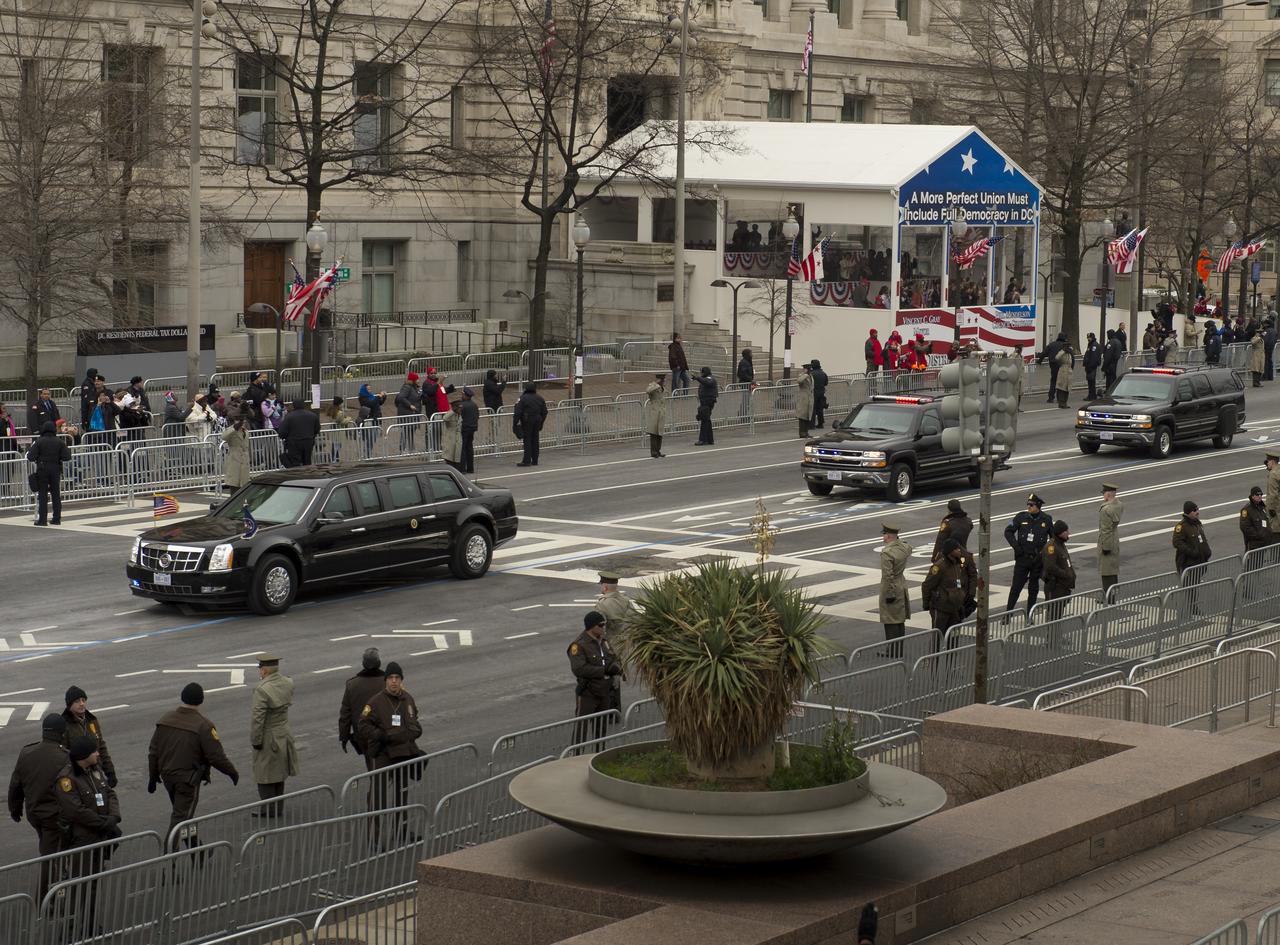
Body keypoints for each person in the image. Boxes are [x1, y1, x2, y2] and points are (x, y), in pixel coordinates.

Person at [147, 683, 239, 846]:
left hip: (168, 777)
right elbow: (216, 756)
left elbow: (153, 751)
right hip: (187, 781)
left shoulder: (165, 719)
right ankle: (168, 861)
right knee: (180, 820)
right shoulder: (204, 725)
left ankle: (199, 851)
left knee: (183, 814)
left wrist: (153, 777)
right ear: (201, 700)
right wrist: (232, 773)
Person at [56, 735, 122, 938]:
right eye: (94, 751)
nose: (97, 753)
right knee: (78, 888)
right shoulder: (67, 779)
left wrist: (113, 817)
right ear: (84, 756)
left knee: (93, 884)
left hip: (99, 837)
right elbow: (76, 811)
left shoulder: (95, 769)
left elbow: (110, 793)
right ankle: (68, 933)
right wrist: (102, 823)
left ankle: (90, 927)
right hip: (82, 839)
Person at [7, 714, 69, 895]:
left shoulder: (27, 752)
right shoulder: (64, 757)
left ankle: (58, 876)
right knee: (50, 858)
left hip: (34, 814)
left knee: (48, 847)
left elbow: (15, 785)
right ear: (61, 733)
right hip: (54, 817)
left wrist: (15, 809)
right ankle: (44, 898)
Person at [357, 661, 425, 813]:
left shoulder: (408, 698)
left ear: (401, 680)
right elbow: (363, 725)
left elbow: (414, 718)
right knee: (378, 798)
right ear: (386, 680)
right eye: (391, 678)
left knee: (402, 797)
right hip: (384, 754)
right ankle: (374, 835)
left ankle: (400, 833)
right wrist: (379, 735)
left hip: (403, 753)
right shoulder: (375, 702)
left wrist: (416, 730)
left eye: (397, 677)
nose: (394, 681)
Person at [249, 655, 298, 817]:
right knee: (279, 772)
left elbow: (258, 718)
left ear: (264, 670)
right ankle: (278, 808)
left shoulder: (262, 689)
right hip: (283, 732)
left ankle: (268, 809)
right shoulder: (288, 682)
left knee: (264, 774)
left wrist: (256, 740)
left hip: (269, 735)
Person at [568, 611, 622, 745]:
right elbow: (579, 669)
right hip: (588, 692)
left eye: (604, 625)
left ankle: (598, 755)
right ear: (591, 626)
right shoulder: (579, 645)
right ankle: (576, 755)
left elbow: (613, 657)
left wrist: (616, 668)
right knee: (581, 728)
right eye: (601, 625)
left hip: (604, 691)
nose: (603, 628)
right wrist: (604, 670)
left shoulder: (604, 642)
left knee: (601, 728)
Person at [1005, 493, 1053, 615]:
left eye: (1031, 505)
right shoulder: (1021, 517)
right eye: (1028, 504)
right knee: (1016, 587)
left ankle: (1029, 615)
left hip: (1037, 560)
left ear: (1038, 506)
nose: (1029, 507)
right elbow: (1008, 532)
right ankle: (1007, 614)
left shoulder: (1046, 519)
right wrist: (1016, 547)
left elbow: (1053, 539)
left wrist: (1046, 554)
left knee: (1033, 589)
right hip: (1022, 559)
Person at [339, 648, 386, 771]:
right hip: (386, 732)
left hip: (363, 735)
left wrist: (344, 737)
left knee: (372, 766)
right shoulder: (388, 682)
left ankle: (377, 787)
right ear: (379, 663)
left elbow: (345, 714)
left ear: (364, 664)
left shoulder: (352, 685)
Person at [61, 686, 115, 788]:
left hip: (96, 770)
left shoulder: (92, 720)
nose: (82, 703)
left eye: (83, 700)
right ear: (69, 705)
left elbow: (101, 747)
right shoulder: (64, 725)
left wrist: (110, 772)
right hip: (78, 775)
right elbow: (63, 754)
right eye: (77, 701)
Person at [921, 539, 973, 646]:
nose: (959, 550)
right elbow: (927, 585)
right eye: (956, 549)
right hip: (941, 608)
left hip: (955, 608)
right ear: (950, 551)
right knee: (937, 638)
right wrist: (926, 604)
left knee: (953, 639)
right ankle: (932, 662)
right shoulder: (939, 566)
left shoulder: (958, 564)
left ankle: (951, 662)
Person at [26, 421, 70, 526]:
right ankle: (56, 519)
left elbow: (30, 456)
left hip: (42, 469)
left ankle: (42, 520)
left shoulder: (39, 442)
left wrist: (39, 457)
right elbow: (67, 456)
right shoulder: (59, 442)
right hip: (55, 469)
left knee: (42, 495)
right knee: (56, 494)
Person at [878, 523, 912, 652]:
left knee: (890, 619)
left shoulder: (887, 553)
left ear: (887, 536)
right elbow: (908, 546)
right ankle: (899, 648)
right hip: (901, 584)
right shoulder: (904, 547)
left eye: (884, 535)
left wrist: (889, 593)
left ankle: (892, 651)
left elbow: (887, 576)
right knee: (899, 619)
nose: (883, 538)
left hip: (892, 586)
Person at [1041, 520, 1076, 622]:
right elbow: (1050, 566)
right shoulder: (1051, 546)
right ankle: (1052, 637)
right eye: (1066, 531)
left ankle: (1056, 636)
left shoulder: (1060, 544)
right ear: (1060, 533)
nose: (1068, 533)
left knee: (1058, 615)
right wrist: (1066, 574)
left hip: (1062, 587)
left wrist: (1071, 575)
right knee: (1054, 615)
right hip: (1055, 587)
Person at [1098, 483, 1123, 602]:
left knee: (1106, 571)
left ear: (1107, 494)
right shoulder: (1119, 505)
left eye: (1104, 493)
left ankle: (1108, 597)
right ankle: (1112, 595)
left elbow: (1106, 530)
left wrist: (1105, 547)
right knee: (1113, 571)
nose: (1103, 496)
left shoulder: (1105, 509)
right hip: (1115, 540)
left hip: (1108, 542)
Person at [1172, 501, 1212, 576]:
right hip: (1189, 564)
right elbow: (1177, 542)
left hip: (1200, 561)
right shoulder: (1182, 526)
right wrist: (1192, 552)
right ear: (1188, 512)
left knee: (1195, 584)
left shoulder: (1197, 523)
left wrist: (1207, 552)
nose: (1197, 512)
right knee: (1189, 585)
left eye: (1197, 509)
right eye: (1194, 510)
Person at [513, 382, 547, 467]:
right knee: (535, 439)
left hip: (527, 420)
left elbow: (518, 411)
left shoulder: (522, 398)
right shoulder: (540, 398)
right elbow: (545, 412)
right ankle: (535, 460)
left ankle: (526, 460)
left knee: (527, 440)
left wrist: (515, 423)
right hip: (537, 420)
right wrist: (541, 422)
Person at [278, 400, 320, 467]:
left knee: (295, 463)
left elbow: (282, 432)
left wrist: (286, 437)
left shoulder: (289, 417)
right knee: (307, 462)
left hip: (294, 443)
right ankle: (308, 475)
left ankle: (298, 476)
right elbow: (317, 429)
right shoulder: (313, 415)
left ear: (293, 406)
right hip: (308, 441)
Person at [395, 372, 423, 451]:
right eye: (417, 379)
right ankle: (402, 449)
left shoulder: (415, 388)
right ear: (413, 380)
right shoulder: (407, 387)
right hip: (407, 413)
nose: (418, 380)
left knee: (411, 432)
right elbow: (401, 397)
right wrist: (409, 405)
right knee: (405, 432)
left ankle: (411, 448)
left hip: (413, 414)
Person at [1241, 486, 1274, 552]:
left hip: (1264, 543)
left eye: (1261, 494)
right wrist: (1259, 535)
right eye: (1257, 495)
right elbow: (1245, 527)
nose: (1259, 496)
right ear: (1252, 496)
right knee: (1253, 562)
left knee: (1261, 561)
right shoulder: (1246, 510)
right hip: (1254, 545)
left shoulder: (1263, 507)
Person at [222, 418, 250, 489]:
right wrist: (236, 426)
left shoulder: (246, 431)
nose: (242, 422)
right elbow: (224, 437)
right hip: (234, 459)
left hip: (244, 460)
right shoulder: (231, 430)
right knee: (234, 484)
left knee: (244, 485)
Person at [456, 387, 479, 474]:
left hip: (464, 428)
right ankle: (470, 468)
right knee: (469, 448)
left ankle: (462, 468)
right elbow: (477, 416)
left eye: (463, 394)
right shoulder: (474, 405)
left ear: (466, 396)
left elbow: (459, 417)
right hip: (472, 428)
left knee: (463, 448)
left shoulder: (462, 405)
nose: (462, 395)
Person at [643, 374, 667, 458]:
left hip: (661, 412)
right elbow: (648, 391)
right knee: (654, 433)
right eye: (663, 380)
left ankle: (658, 450)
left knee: (659, 433)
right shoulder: (653, 386)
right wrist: (656, 384)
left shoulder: (662, 388)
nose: (665, 382)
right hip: (654, 412)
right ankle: (653, 452)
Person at [694, 366, 718, 445]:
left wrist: (698, 378)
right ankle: (710, 439)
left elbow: (707, 382)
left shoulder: (710, 378)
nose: (701, 374)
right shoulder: (705, 379)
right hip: (704, 402)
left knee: (704, 420)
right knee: (707, 420)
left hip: (708, 402)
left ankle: (703, 440)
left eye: (702, 372)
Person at [440, 390, 464, 472]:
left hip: (457, 439)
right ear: (455, 408)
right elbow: (445, 418)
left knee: (457, 459)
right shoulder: (451, 413)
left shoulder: (459, 415)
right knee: (449, 459)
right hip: (450, 440)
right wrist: (453, 411)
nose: (461, 409)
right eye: (459, 408)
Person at [1040, 332, 1066, 402]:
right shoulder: (1064, 346)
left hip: (1053, 364)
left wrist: (1040, 361)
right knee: (1061, 381)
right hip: (1062, 364)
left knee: (1053, 380)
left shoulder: (1052, 344)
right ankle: (1060, 398)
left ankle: (1051, 397)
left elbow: (1044, 353)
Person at [795, 363, 814, 439]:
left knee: (807, 417)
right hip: (803, 399)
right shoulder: (802, 375)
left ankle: (806, 432)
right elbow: (799, 381)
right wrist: (805, 375)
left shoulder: (811, 377)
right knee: (802, 417)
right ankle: (802, 433)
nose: (809, 371)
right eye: (807, 369)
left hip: (809, 398)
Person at [809, 359, 829, 428]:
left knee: (813, 409)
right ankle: (821, 423)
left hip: (814, 393)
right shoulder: (823, 373)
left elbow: (809, 384)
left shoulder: (811, 374)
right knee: (820, 409)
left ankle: (812, 424)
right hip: (821, 392)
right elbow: (826, 383)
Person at [1053, 342, 1073, 408]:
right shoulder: (1062, 352)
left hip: (1069, 371)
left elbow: (1071, 361)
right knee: (1061, 388)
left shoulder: (1069, 354)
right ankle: (1061, 403)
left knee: (1067, 388)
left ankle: (1065, 402)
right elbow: (1057, 358)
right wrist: (1064, 351)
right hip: (1063, 371)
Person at [1082, 332, 1101, 400]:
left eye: (1089, 337)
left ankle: (1092, 396)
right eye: (1087, 337)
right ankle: (1091, 395)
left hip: (1091, 366)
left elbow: (1094, 357)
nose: (1088, 339)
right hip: (1089, 366)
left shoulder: (1094, 345)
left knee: (1091, 382)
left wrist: (1090, 366)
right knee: (1090, 381)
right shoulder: (1090, 345)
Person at [1267, 452, 1280, 535]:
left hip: (1276, 508)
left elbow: (1273, 494)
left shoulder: (1273, 474)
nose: (1267, 463)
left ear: (1272, 461)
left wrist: (1271, 508)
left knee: (1275, 531)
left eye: (1268, 461)